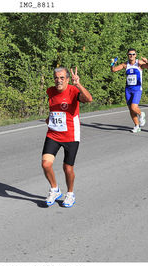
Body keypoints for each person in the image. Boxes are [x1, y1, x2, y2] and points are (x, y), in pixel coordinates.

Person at [42, 67, 93, 208]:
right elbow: (55, 110)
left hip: (71, 134)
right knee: (46, 164)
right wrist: (50, 118)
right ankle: (55, 189)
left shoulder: (73, 90)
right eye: (56, 77)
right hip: (53, 133)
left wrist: (78, 85)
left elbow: (89, 99)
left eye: (62, 78)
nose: (58, 80)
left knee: (67, 168)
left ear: (67, 79)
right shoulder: (50, 91)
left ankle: (70, 193)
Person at [111, 48, 148, 133]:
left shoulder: (139, 64)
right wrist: (113, 64)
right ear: (127, 55)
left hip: (137, 89)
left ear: (136, 55)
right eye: (130, 54)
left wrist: (146, 62)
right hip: (128, 89)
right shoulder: (125, 64)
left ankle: (141, 114)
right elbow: (113, 70)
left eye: (133, 54)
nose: (131, 56)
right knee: (131, 110)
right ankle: (137, 126)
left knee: (133, 107)